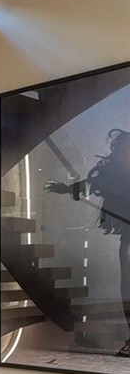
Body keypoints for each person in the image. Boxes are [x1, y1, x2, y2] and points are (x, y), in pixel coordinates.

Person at [45, 128, 130, 357]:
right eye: (126, 150)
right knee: (128, 288)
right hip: (129, 238)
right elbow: (91, 184)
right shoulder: (113, 175)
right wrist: (67, 189)